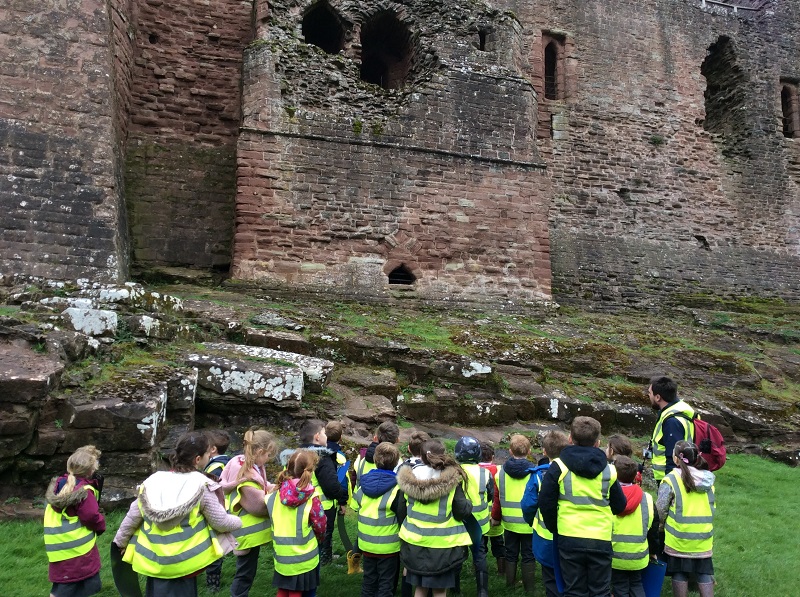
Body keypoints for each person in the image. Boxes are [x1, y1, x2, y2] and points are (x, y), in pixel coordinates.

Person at [113, 431, 242, 597]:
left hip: (154, 560)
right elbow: (220, 522)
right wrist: (238, 521)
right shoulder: (201, 485)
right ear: (198, 459)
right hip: (186, 562)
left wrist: (120, 543)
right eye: (207, 453)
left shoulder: (154, 481)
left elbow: (132, 517)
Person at [538, 416, 627, 597]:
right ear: (598, 442)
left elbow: (545, 502)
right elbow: (620, 506)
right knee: (600, 591)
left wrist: (556, 527)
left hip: (569, 537)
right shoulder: (609, 470)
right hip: (600, 538)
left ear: (570, 439)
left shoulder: (558, 467)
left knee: (574, 590)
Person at [396, 439, 472, 597]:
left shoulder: (409, 480)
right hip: (443, 548)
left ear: (422, 457)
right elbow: (460, 511)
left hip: (414, 544)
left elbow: (401, 510)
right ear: (442, 455)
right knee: (439, 590)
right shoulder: (452, 481)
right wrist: (468, 504)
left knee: (420, 588)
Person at [220, 428, 278, 597]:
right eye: (267, 455)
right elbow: (258, 506)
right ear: (260, 452)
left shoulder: (242, 463)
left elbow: (263, 485)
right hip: (247, 532)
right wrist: (277, 495)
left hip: (245, 531)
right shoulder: (247, 475)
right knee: (245, 573)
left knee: (246, 571)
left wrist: (272, 486)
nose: (267, 460)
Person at [44, 445, 106, 597]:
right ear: (90, 470)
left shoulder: (59, 484)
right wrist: (101, 525)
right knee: (69, 587)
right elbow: (91, 516)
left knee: (65, 583)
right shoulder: (84, 492)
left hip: (59, 547)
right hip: (78, 549)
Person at [656, 441, 716, 597]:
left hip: (679, 538)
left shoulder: (671, 480)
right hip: (703, 538)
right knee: (704, 572)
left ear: (676, 458)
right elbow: (712, 508)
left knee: (679, 572)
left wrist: (659, 529)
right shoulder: (708, 480)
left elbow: (661, 510)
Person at [266, 449, 327, 597]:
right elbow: (321, 524)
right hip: (305, 557)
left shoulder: (272, 497)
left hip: (281, 556)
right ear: (310, 472)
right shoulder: (312, 498)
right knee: (300, 592)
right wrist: (320, 538)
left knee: (283, 590)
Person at [351, 442, 404, 597]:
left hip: (366, 543)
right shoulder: (398, 489)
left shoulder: (363, 485)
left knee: (369, 582)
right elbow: (403, 516)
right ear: (396, 463)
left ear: (375, 460)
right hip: (389, 547)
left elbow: (354, 505)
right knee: (385, 585)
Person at [521, 430, 569, 597]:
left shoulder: (538, 475)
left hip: (546, 537)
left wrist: (531, 521)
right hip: (570, 536)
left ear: (544, 451)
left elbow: (528, 505)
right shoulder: (573, 473)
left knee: (550, 579)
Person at [297, 419, 349, 566]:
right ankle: (324, 560)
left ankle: (316, 557)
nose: (327, 436)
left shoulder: (299, 453)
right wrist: (341, 495)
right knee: (325, 533)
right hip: (322, 505)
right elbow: (331, 486)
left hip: (303, 502)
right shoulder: (322, 457)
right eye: (324, 433)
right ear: (317, 437)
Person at [490, 434, 536, 590]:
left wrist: (495, 518)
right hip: (529, 523)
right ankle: (529, 588)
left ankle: (510, 584)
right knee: (529, 554)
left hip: (509, 523)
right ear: (529, 451)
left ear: (510, 451)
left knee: (511, 552)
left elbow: (497, 499)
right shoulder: (535, 473)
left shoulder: (500, 473)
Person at [611, 456, 660, 597]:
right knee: (636, 584)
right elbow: (653, 530)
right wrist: (653, 551)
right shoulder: (648, 499)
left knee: (619, 586)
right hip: (639, 556)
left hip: (615, 555)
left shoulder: (608, 495)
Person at [454, 436, 491, 597]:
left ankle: (455, 590)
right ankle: (482, 591)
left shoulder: (454, 473)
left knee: (456, 557)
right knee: (480, 556)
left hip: (460, 522)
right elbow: (490, 495)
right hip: (479, 524)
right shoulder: (485, 473)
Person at [647, 377, 695, 483]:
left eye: (650, 393)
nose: (648, 396)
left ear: (658, 397)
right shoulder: (677, 409)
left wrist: (669, 484)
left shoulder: (672, 421)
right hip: (680, 474)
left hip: (669, 477)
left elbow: (673, 456)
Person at [204, 428, 233, 592]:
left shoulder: (216, 467)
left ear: (213, 449)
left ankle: (213, 583)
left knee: (214, 544)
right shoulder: (225, 462)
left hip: (216, 510)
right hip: (221, 509)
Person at [478, 441, 505, 575]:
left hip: (480, 516)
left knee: (479, 547)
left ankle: (479, 571)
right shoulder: (499, 470)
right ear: (493, 457)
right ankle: (502, 572)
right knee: (499, 545)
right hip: (496, 514)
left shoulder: (475, 470)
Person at [355, 421, 401, 486]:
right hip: (388, 495)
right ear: (397, 440)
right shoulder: (398, 461)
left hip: (360, 494)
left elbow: (354, 479)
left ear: (375, 438)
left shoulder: (362, 457)